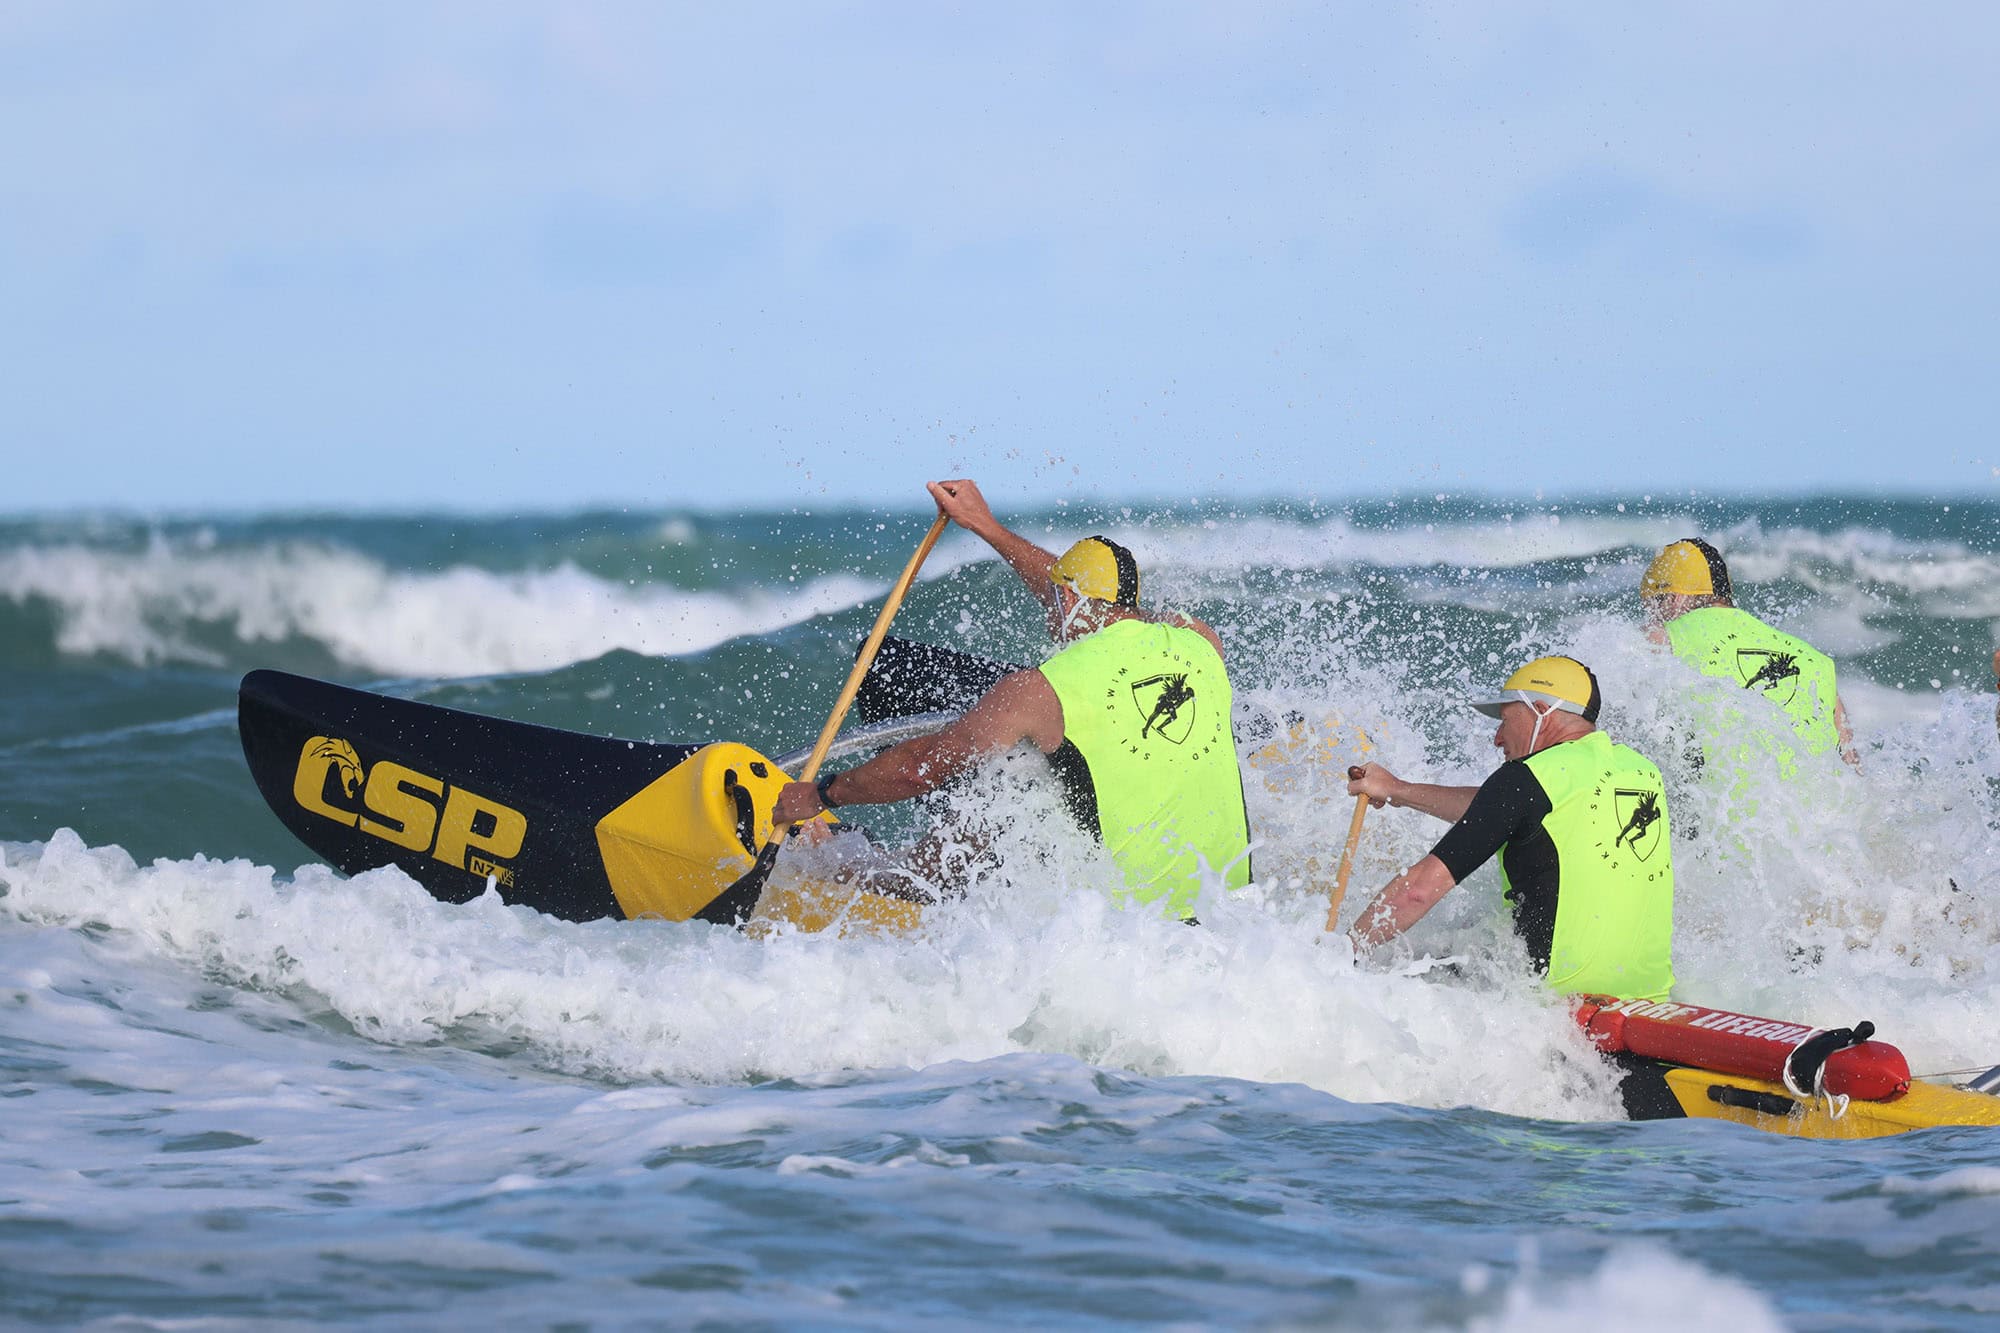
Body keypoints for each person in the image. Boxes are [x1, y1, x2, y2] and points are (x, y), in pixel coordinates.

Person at [772, 479, 1253, 919]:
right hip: (1222, 914)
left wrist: (822, 793)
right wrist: (986, 527)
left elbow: (926, 763)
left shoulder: (1041, 691)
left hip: (1121, 930)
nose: (1050, 607)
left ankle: (905, 875)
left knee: (1002, 766)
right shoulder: (1200, 643)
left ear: (1067, 601)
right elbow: (1094, 603)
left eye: (1056, 598)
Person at [1339, 656, 1674, 1002]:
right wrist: (1398, 790)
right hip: (1651, 1003)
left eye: (1504, 720)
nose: (1498, 738)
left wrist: (1340, 951)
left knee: (1410, 978)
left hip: (1557, 1013)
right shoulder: (1641, 770)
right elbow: (1502, 812)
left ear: (1541, 711)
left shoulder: (1524, 780)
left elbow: (1417, 892)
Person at [1640, 537, 1856, 766]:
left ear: (1675, 599)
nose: (1651, 617)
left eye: (1652, 606)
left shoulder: (1662, 638)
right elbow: (1853, 771)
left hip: (1728, 801)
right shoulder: (1818, 663)